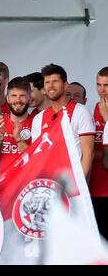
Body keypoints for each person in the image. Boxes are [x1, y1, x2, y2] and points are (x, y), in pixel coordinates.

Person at [31, 64, 95, 178]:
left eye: (55, 81)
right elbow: (37, 156)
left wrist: (78, 184)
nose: (51, 86)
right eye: (47, 82)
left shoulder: (81, 111)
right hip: (48, 184)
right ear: (44, 89)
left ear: (65, 85)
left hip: (72, 183)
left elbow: (89, 152)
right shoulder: (38, 119)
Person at [0, 77, 33, 180]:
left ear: (29, 98)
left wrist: (18, 139)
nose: (18, 100)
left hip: (26, 186)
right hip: (0, 186)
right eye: (14, 96)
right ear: (7, 98)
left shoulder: (37, 123)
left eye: (22, 96)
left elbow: (37, 160)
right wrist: (1, 134)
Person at [89, 67, 108, 240]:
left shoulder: (103, 111)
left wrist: (107, 118)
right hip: (94, 188)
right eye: (98, 84)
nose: (102, 89)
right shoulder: (91, 109)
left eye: (106, 85)